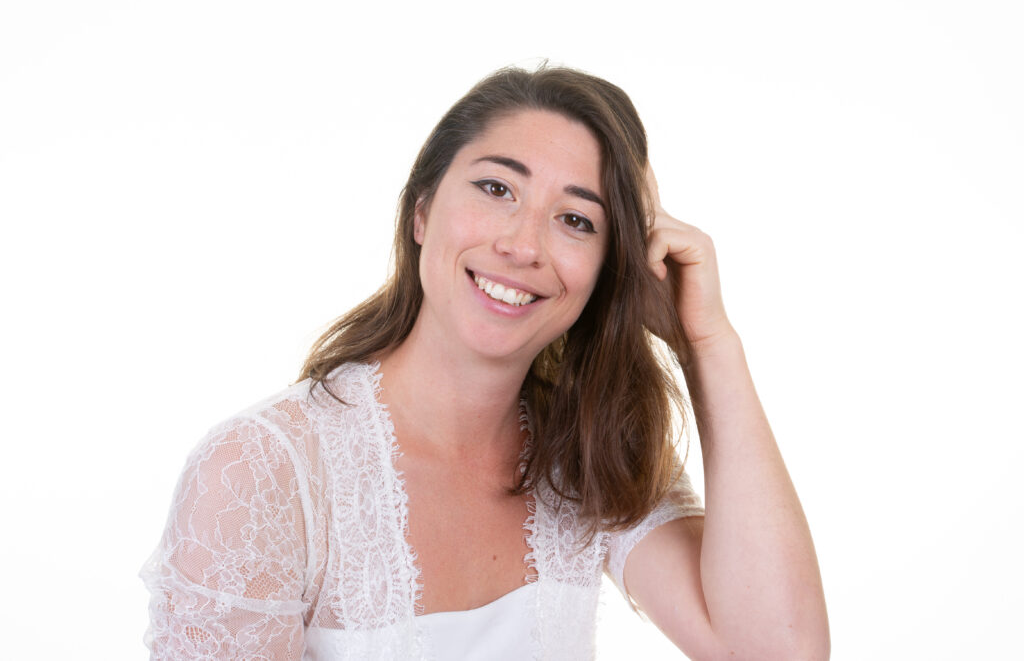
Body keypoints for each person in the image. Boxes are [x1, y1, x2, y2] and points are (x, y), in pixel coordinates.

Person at [140, 65, 829, 660]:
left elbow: (776, 648)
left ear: (607, 272)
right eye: (498, 188)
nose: (522, 244)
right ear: (420, 212)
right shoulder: (260, 472)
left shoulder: (586, 449)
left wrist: (707, 344)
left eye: (577, 220)